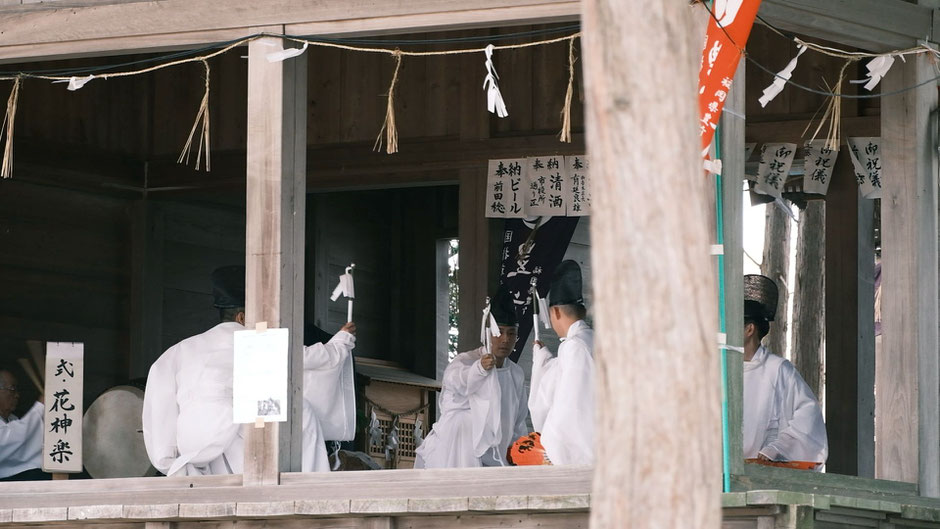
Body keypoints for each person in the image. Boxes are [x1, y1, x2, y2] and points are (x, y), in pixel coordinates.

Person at [143, 265, 358, 475]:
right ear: (243, 317)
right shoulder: (253, 341)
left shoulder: (178, 351)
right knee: (300, 410)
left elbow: (160, 411)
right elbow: (313, 360)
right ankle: (311, 484)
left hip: (193, 449)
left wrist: (172, 464)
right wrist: (342, 340)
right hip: (237, 442)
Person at [415, 286, 528, 468]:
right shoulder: (467, 361)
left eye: (511, 333)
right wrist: (479, 370)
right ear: (487, 333)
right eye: (498, 332)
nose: (505, 339)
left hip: (498, 455)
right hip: (458, 451)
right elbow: (456, 381)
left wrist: (520, 451)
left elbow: (518, 421)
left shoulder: (516, 373)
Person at [742, 274, 828, 465]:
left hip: (762, 469)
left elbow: (808, 414)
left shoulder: (778, 370)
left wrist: (777, 447)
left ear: (749, 329)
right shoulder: (722, 370)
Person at [528, 260, 595, 465]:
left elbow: (569, 407)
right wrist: (543, 359)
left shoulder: (575, 347)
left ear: (555, 312)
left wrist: (553, 449)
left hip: (584, 458)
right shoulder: (590, 340)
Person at [0, 368, 46, 481]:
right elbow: (7, 440)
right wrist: (40, 407)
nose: (17, 395)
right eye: (12, 389)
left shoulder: (13, 419)